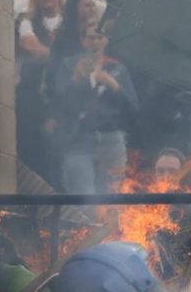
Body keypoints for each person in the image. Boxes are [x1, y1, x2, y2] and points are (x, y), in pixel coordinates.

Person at [52, 21, 138, 194]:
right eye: (91, 38)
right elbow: (59, 102)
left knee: (111, 197)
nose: (95, 42)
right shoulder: (68, 66)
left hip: (111, 139)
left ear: (106, 40)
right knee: (83, 197)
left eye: (100, 37)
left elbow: (133, 107)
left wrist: (114, 86)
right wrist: (75, 79)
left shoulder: (117, 68)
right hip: (79, 139)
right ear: (83, 41)